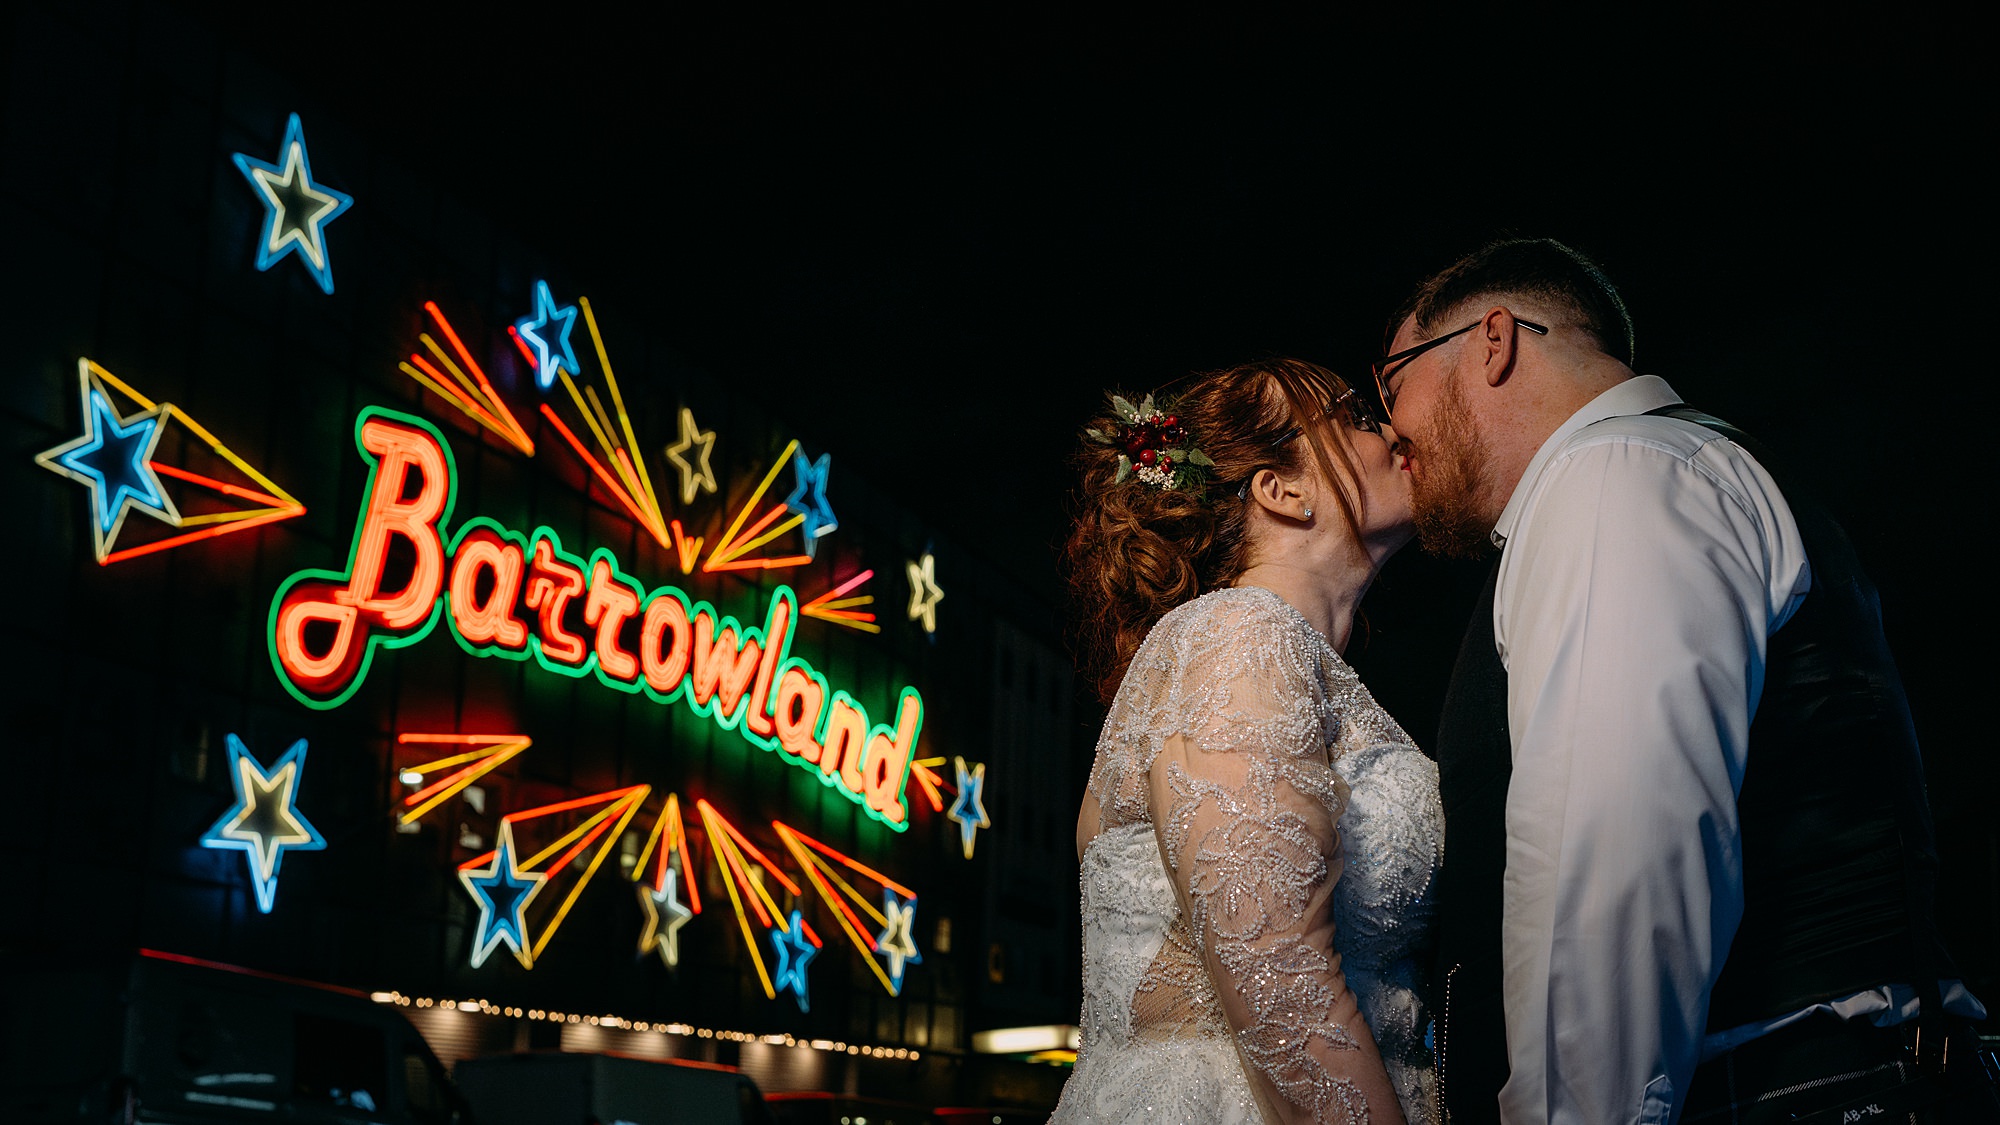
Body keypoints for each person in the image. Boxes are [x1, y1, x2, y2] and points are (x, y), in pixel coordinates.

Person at [1378, 238, 1989, 1124]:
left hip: (1796, 1095)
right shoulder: (1673, 468)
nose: (1388, 425)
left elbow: (1621, 862)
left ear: (1494, 340)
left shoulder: (1613, 479)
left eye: (1392, 378)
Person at [1050, 358, 1442, 1125]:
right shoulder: (1239, 635)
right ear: (1282, 489)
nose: (1395, 430)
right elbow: (1277, 974)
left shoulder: (1300, 663)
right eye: (1358, 415)